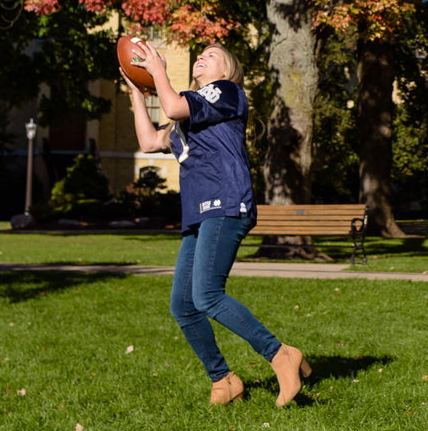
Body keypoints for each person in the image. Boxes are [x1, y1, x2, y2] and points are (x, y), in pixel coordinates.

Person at [124, 40, 307, 407]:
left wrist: (158, 69)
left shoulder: (225, 92)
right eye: (200, 54)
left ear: (225, 72)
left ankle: (281, 354)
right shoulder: (189, 116)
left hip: (226, 203)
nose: (202, 57)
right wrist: (136, 91)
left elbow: (175, 103)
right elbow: (148, 140)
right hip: (199, 214)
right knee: (183, 305)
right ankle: (223, 379)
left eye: (212, 56)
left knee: (206, 294)